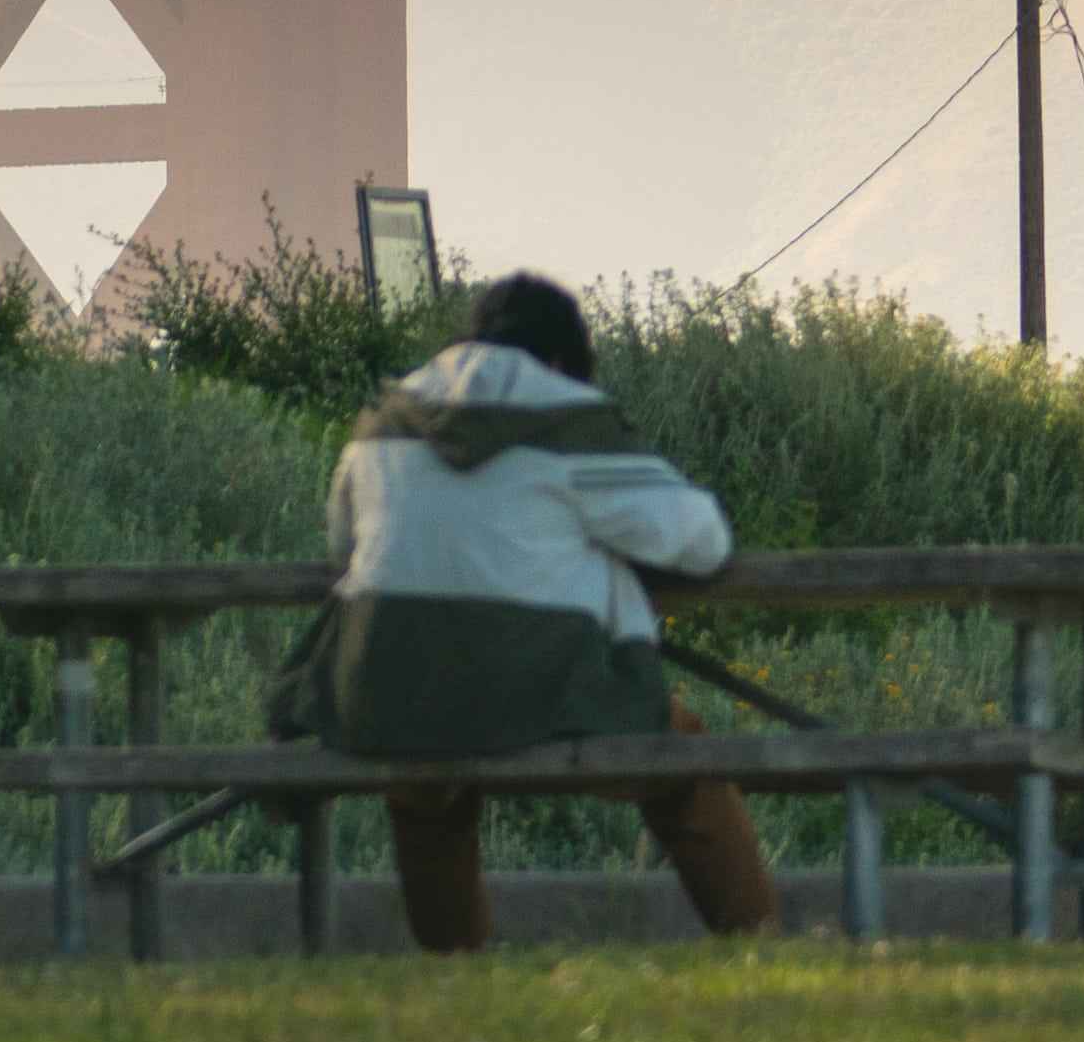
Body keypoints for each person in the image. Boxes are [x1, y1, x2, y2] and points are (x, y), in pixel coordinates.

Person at [270, 270, 780, 949]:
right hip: (547, 701)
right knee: (681, 760)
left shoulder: (383, 423)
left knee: (425, 790)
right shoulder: (568, 420)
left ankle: (458, 970)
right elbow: (702, 539)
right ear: (566, 359)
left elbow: (343, 541)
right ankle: (760, 941)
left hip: (387, 698)